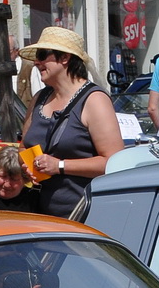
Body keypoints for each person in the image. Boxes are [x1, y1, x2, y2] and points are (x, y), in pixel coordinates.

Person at [18, 27, 124, 220]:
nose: (36, 62)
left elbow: (114, 162)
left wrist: (59, 165)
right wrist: (27, 167)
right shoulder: (39, 98)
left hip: (84, 214)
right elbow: (24, 146)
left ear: (65, 58)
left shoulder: (94, 100)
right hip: (40, 213)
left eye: (42, 55)